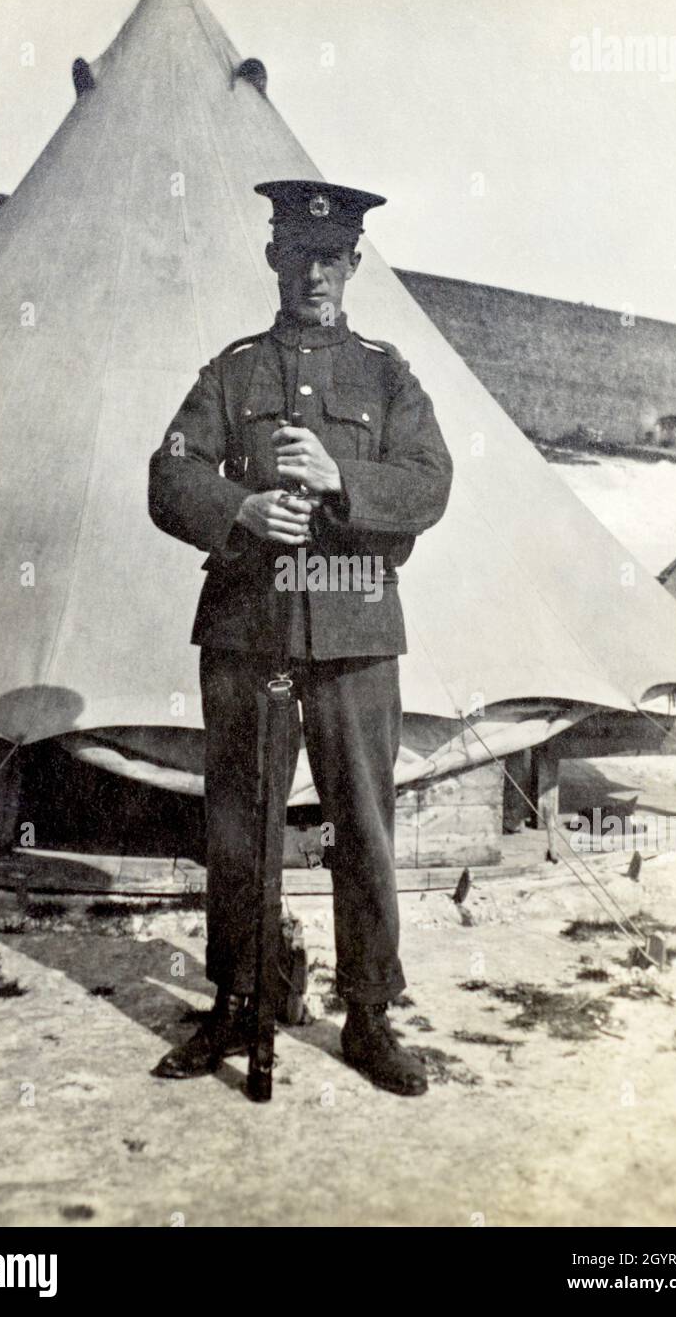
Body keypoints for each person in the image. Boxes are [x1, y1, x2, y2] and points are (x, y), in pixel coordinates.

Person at [148, 180, 452, 1095]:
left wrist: (342, 478)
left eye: (333, 258)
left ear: (355, 265)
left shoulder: (386, 371)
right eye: (299, 256)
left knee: (362, 824)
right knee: (240, 825)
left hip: (355, 627)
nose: (316, 274)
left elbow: (431, 481)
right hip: (247, 631)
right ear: (274, 260)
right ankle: (236, 1002)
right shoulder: (232, 371)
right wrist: (241, 508)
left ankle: (367, 1014)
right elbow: (167, 477)